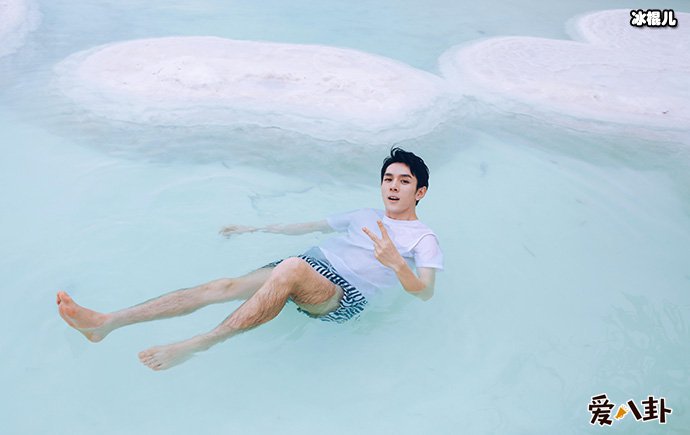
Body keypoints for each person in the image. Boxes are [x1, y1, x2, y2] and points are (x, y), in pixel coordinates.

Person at [56, 147, 444, 371]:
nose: (393, 187)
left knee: (291, 267)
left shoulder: (423, 238)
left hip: (343, 296)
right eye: (388, 179)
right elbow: (307, 226)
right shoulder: (363, 214)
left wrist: (396, 263)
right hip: (310, 265)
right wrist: (253, 229)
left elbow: (425, 292)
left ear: (420, 192)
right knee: (223, 286)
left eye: (404, 181)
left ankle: (199, 343)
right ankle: (106, 322)